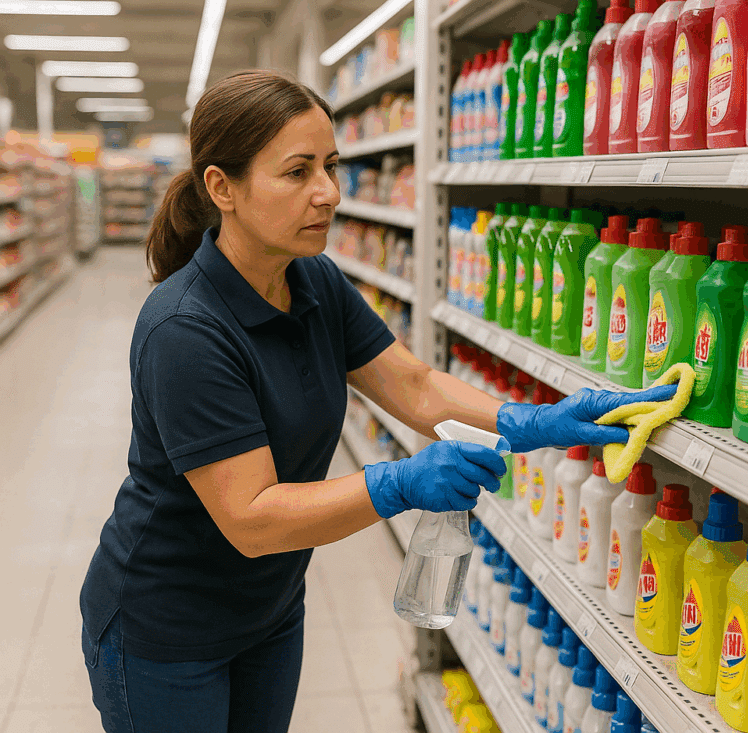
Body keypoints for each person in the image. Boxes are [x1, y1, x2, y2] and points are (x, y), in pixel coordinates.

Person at [79, 69, 676, 733]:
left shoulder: (313, 280)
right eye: (298, 172)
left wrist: (530, 418)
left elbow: (412, 384)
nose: (329, 193)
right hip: (167, 627)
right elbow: (251, 519)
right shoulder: (185, 329)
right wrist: (397, 482)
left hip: (270, 609)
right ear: (222, 188)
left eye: (331, 167)